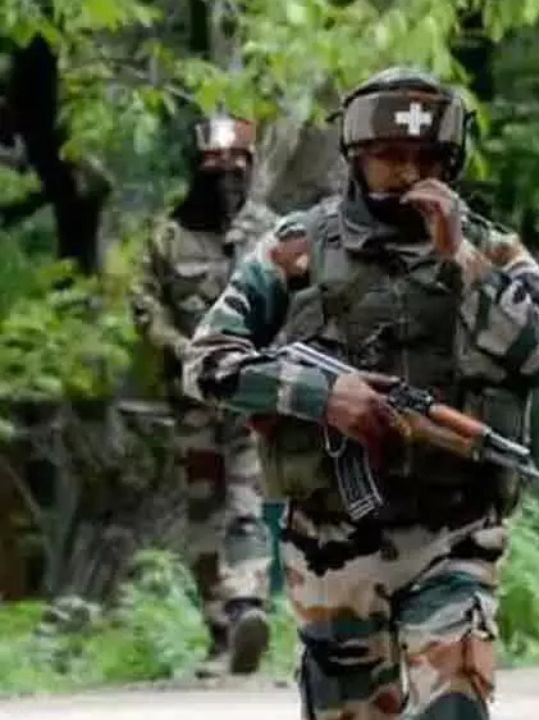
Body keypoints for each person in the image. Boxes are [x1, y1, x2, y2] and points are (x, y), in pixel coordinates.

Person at [182, 67, 539, 718]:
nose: (408, 173)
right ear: (356, 156)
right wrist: (322, 395)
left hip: (455, 535)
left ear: (452, 161)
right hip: (332, 544)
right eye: (389, 155)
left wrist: (462, 262)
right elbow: (206, 362)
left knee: (455, 707)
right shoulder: (297, 248)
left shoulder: (492, 248)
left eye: (427, 158)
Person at [133, 114, 276, 675]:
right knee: (204, 513)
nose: (226, 179)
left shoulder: (272, 233)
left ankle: (247, 608)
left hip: (250, 396)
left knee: (246, 505)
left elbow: (301, 301)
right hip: (191, 399)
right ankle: (220, 634)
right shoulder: (167, 237)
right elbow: (145, 308)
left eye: (236, 168)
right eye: (214, 169)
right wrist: (181, 348)